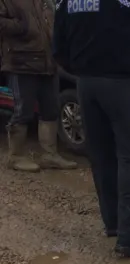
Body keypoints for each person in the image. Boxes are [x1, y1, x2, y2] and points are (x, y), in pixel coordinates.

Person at [53, 0, 130, 258]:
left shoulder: (68, 1)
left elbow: (59, 48)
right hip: (124, 85)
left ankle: (113, 224)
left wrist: (83, 67)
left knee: (101, 156)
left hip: (86, 84)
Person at [0, 0, 77, 172]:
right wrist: (22, 26)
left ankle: (50, 155)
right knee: (23, 111)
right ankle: (15, 156)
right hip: (22, 63)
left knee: (51, 109)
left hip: (49, 62)